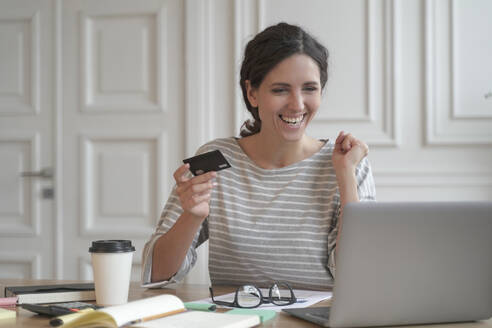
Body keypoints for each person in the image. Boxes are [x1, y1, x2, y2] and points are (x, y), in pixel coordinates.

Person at [141, 22, 375, 290]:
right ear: (252, 92)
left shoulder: (350, 163)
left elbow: (357, 275)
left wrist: (345, 178)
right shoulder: (216, 159)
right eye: (280, 89)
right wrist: (191, 216)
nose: (297, 104)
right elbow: (155, 274)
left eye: (310, 88)